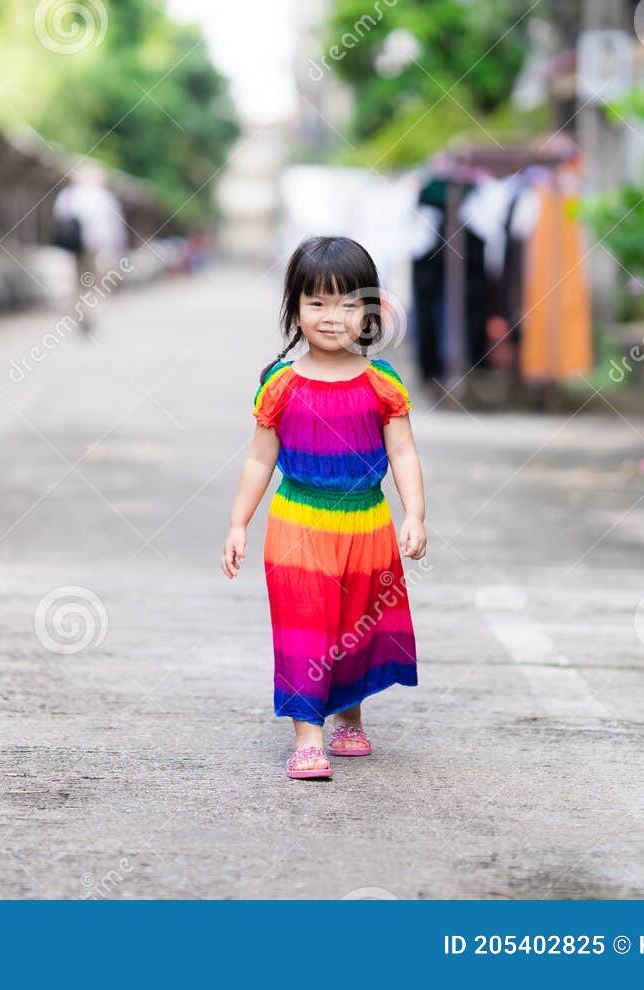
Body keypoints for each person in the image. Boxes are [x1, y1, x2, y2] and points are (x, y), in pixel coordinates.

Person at [221, 236, 426, 781]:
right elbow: (260, 462)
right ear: (294, 308)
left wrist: (415, 514)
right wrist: (239, 523)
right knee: (304, 627)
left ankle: (350, 718)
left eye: (348, 303)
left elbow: (402, 450)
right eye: (316, 303)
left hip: (366, 524)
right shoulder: (282, 385)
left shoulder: (382, 383)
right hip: (298, 526)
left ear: (371, 311)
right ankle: (307, 737)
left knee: (356, 627)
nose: (332, 317)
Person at [51, 162, 127, 333]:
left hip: (73, 248)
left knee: (78, 282)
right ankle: (89, 313)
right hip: (95, 247)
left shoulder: (67, 195)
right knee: (93, 282)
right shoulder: (103, 196)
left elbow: (59, 219)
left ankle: (83, 313)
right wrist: (115, 251)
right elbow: (114, 227)